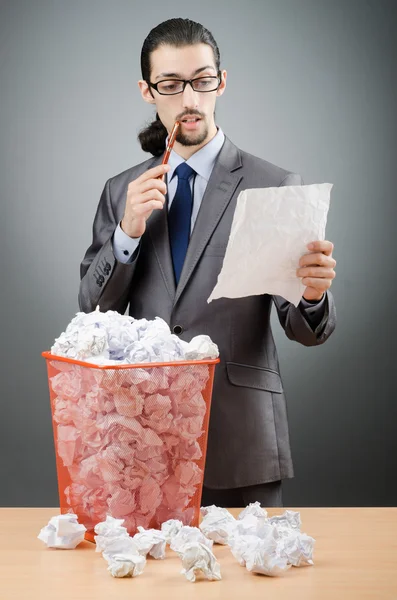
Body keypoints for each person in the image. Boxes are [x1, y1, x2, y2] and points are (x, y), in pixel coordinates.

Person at [79, 18, 337, 508]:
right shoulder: (121, 192)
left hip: (241, 438)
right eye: (171, 85)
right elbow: (93, 313)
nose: (190, 100)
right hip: (144, 437)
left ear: (222, 80)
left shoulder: (273, 185)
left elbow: (305, 330)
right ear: (147, 91)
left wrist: (312, 295)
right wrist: (126, 234)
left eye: (202, 80)